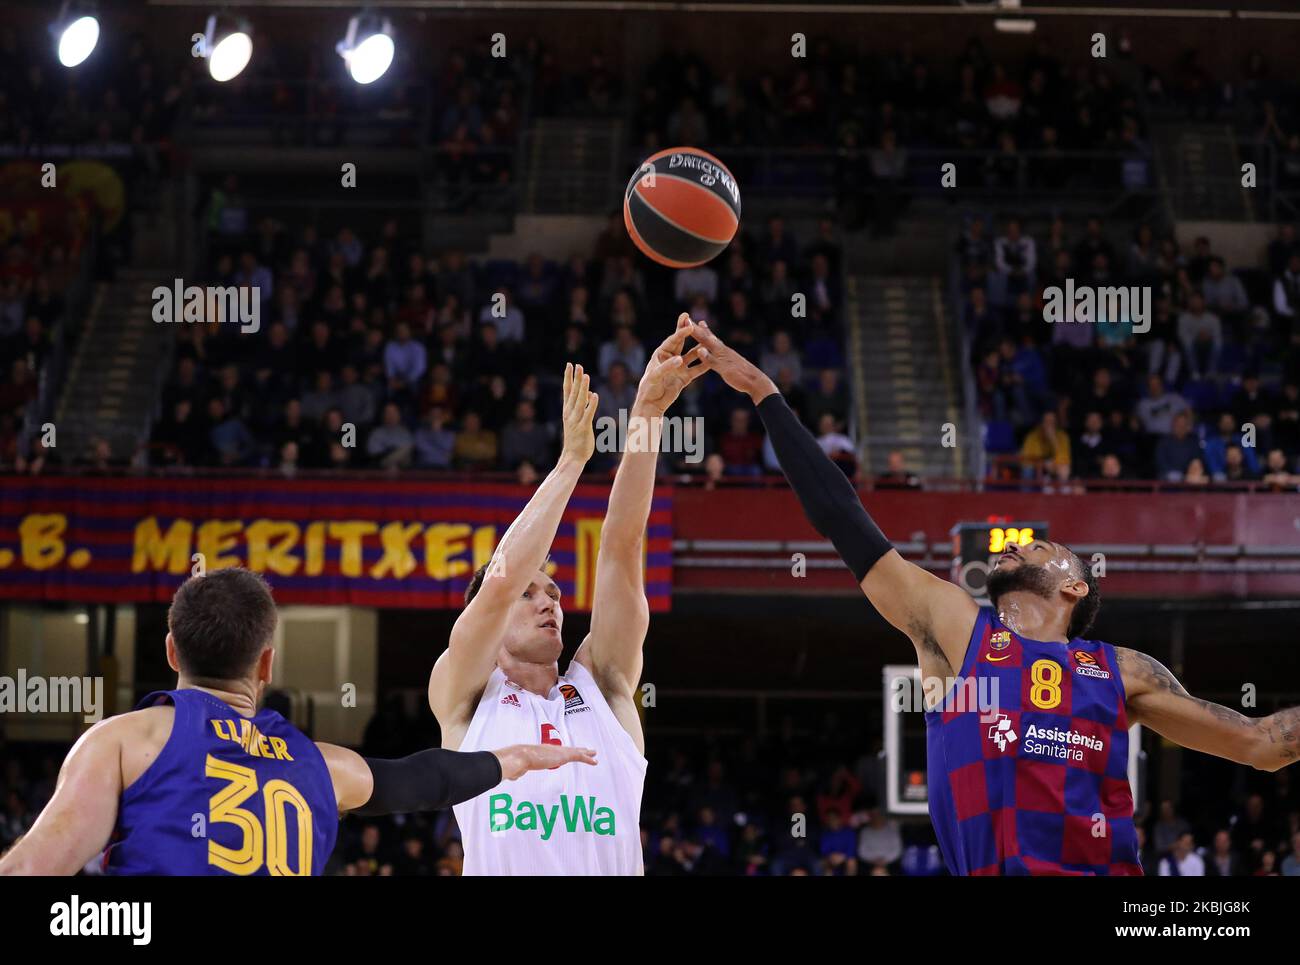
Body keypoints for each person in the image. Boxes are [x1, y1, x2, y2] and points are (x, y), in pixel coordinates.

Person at [689, 319, 1300, 876]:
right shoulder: (958, 627)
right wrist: (762, 391)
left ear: (1075, 585)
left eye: (1044, 545)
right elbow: (842, 518)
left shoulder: (1124, 671)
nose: (1023, 544)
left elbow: (1258, 744)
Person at [0, 568, 592, 876]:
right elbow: (423, 779)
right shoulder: (320, 765)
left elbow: (30, 868)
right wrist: (510, 760)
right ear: (266, 664)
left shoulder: (125, 741)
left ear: (172, 653)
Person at [428, 318, 711, 875]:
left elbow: (622, 548)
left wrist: (648, 417)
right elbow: (503, 578)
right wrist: (571, 462)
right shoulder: (464, 697)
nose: (548, 601)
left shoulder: (602, 685)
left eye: (555, 593)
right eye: (531, 594)